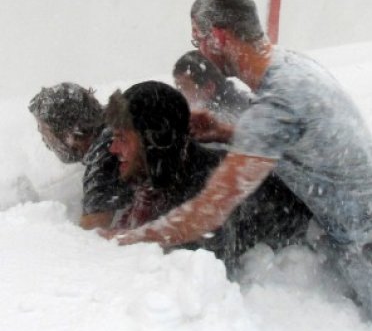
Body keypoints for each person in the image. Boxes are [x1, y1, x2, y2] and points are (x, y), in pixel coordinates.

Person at [108, 0, 372, 329]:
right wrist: (227, 132)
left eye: (199, 41)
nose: (201, 52)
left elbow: (209, 211)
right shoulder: (291, 64)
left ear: (219, 37)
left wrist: (133, 238)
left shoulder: (276, 104)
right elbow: (297, 137)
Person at [102, 80, 310, 275]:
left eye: (122, 138)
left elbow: (209, 278)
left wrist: (135, 241)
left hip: (298, 255)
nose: (112, 148)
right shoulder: (166, 170)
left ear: (155, 141)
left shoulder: (205, 190)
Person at [28, 83, 132, 229]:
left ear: (69, 134)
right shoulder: (119, 122)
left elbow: (88, 239)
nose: (44, 141)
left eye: (44, 131)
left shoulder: (106, 157)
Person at [173, 49, 253, 123]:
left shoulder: (235, 116)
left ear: (209, 88)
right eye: (177, 88)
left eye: (184, 87)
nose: (178, 95)